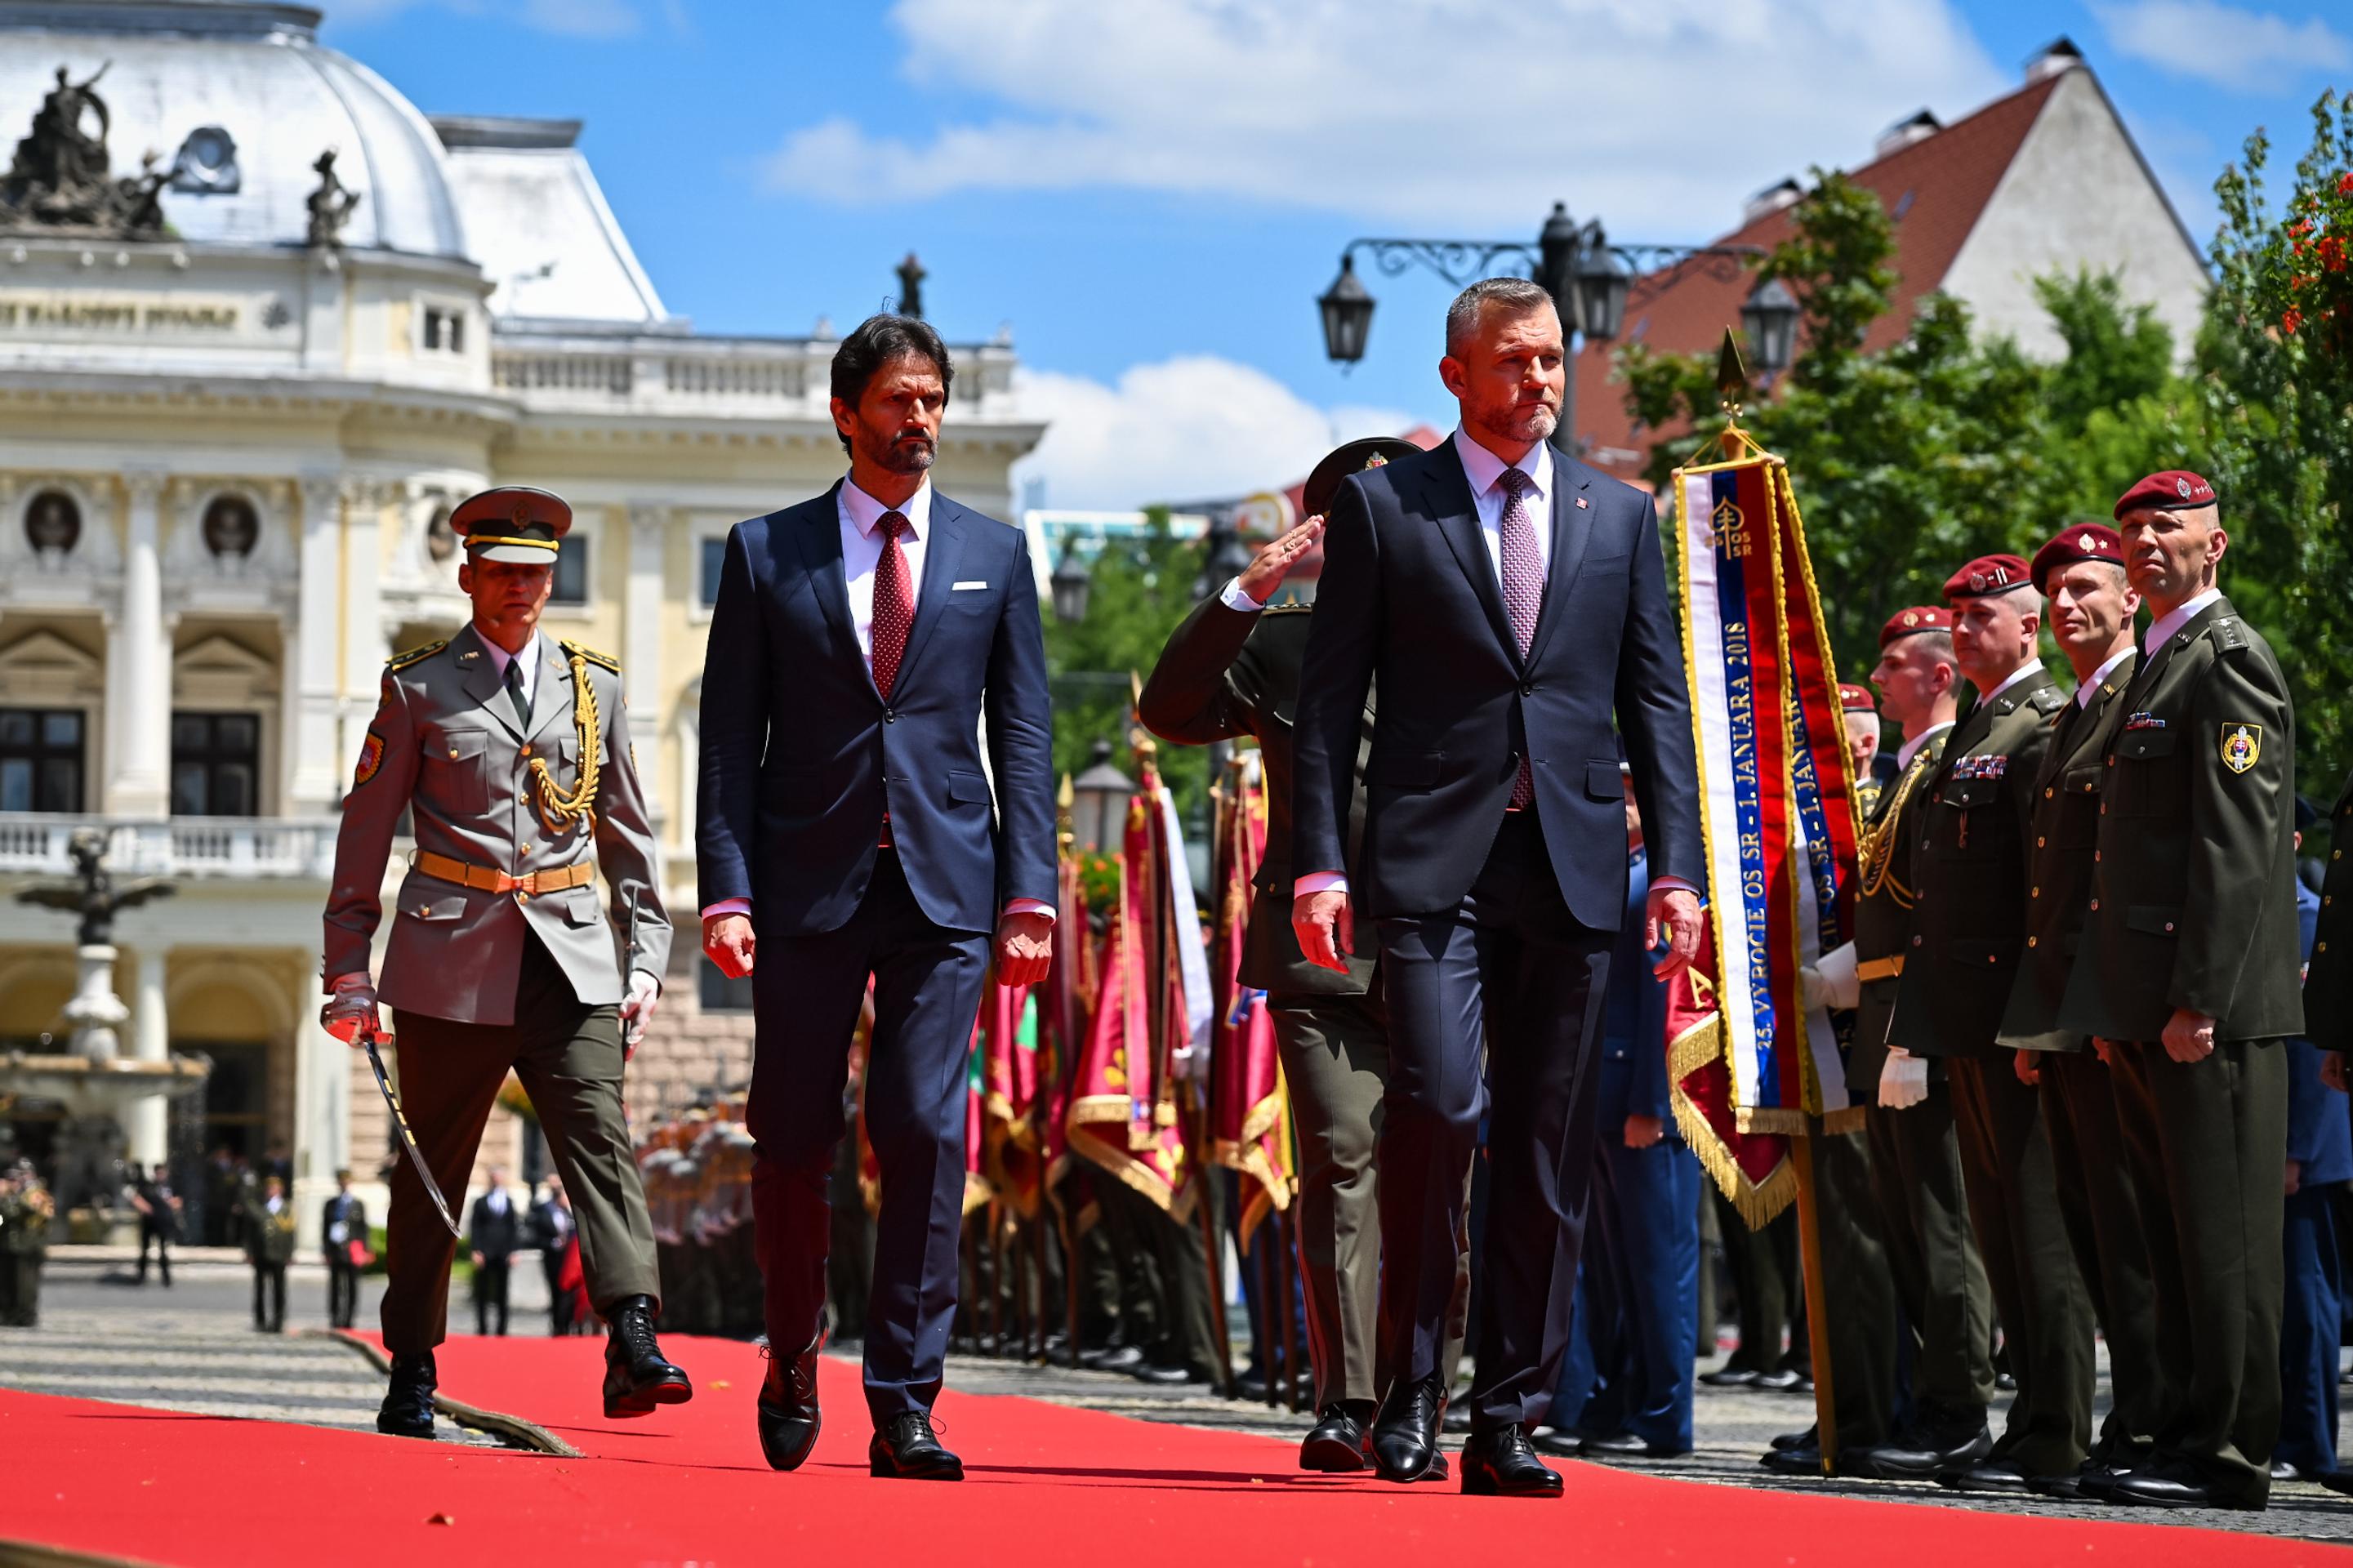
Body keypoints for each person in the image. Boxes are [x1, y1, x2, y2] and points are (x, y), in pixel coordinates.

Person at [1290, 277, 1704, 1498]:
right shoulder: (1384, 509)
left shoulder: (1620, 516)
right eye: (1514, 363)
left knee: (1543, 1148)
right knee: (1441, 1106)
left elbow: (1658, 705)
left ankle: (1510, 1416)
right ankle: (1411, 1384)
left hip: (1574, 871)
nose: (1538, 383)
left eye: (1551, 362)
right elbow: (1325, 708)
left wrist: (1673, 868)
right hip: (1431, 867)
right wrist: (1319, 855)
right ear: (1456, 376)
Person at [697, 313, 1056, 1482]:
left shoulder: (993, 555)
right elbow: (724, 748)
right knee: (793, 1139)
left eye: (935, 402)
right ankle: (794, 1346)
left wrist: (1030, 890)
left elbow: (1026, 738)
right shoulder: (768, 554)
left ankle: (906, 1398)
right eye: (901, 402)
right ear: (846, 412)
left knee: (919, 1127)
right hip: (804, 887)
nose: (921, 422)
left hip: (947, 888)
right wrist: (727, 889)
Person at [321, 484, 688, 1440]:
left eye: (536, 574)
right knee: (429, 1168)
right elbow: (363, 838)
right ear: (468, 576)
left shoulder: (591, 686)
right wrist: (347, 971)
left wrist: (646, 954)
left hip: (569, 956)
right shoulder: (419, 688)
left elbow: (629, 833)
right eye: (504, 573)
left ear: (551, 579)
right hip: (448, 956)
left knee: (599, 1139)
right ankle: (410, 1365)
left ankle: (633, 1336)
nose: (521, 590)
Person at [1139, 435, 1472, 1477]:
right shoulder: (1285, 638)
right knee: (1337, 1160)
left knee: (1437, 1171)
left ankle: (1426, 1388)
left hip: (1441, 940)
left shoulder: (1471, 627)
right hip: (1316, 953)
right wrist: (1245, 590)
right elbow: (1169, 710)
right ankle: (1346, 1398)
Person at [2059, 470, 2301, 1510]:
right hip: (2150, 1004)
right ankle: (2185, 1433)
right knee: (2170, 1233)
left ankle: (2234, 1454)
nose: (2144, 540)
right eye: (2132, 528)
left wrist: (2198, 997)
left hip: (2211, 1007)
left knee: (2225, 1241)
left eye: (2168, 526)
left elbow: (2236, 847)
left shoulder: (2226, 659)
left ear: (2216, 545)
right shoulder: (2157, 665)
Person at [1887, 553, 2091, 1494]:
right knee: (1999, 1231)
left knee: (2035, 1229)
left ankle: (2056, 1428)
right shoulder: (1978, 722)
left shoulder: (2038, 721)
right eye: (1957, 619)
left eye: (1984, 618)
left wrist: (2033, 1024)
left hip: (2008, 1022)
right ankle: (2027, 1423)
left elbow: (2042, 894)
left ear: (2028, 628)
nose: (1964, 631)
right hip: (1961, 1019)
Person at [1996, 521, 2169, 1500]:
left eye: (2085, 590)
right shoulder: (2076, 712)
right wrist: (2036, 1023)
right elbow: (2046, 889)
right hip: (2063, 1014)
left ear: (2128, 601)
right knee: (2093, 1227)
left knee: (2132, 1231)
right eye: (2055, 592)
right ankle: (2129, 1418)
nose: (2067, 606)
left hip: (2112, 1009)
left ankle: (2148, 1419)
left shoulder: (2134, 695)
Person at [1541, 765, 1700, 1461]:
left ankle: (1667, 1415)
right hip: (1600, 1100)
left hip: (1639, 1106)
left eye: (1630, 793)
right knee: (1613, 1271)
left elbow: (1667, 1006)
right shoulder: (1621, 873)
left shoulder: (1658, 884)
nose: (1618, 805)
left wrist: (1652, 1104)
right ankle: (1622, 1399)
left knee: (1659, 1270)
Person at [2279, 837, 2350, 1481]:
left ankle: (2308, 1444)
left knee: (2307, 1299)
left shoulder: (2302, 922)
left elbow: (2308, 1048)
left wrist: (2294, 1150)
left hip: (2303, 1150)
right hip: (2289, 1146)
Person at [469, 1165, 524, 1336]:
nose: (496, 1179)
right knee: (483, 1292)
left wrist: (514, 1251)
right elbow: (475, 1227)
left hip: (503, 1252)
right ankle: (483, 1328)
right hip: (485, 1252)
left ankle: (502, 1329)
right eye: (494, 1176)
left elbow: (513, 1228)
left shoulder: (508, 1201)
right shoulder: (481, 1201)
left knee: (502, 1292)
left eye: (499, 1176)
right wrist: (476, 1250)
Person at [242, 1173, 296, 1333]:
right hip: (261, 1253)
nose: (272, 1191)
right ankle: (260, 1320)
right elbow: (250, 1232)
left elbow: (291, 1234)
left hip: (279, 1254)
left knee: (279, 1289)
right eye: (269, 1188)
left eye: (275, 1188)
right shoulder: (259, 1207)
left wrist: (290, 1254)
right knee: (260, 1289)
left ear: (281, 1190)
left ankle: (278, 1320)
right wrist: (249, 1252)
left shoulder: (286, 1209)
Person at [530, 1178, 579, 1334]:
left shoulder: (570, 1214)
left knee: (569, 1295)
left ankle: (567, 1324)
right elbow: (537, 1236)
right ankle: (557, 1326)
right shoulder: (545, 1212)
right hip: (552, 1258)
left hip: (568, 1261)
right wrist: (553, 1243)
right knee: (555, 1292)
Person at [321, 1168, 368, 1330]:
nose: (344, 1184)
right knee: (335, 1286)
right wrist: (326, 1251)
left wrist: (364, 1250)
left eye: (346, 1181)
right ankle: (335, 1317)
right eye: (341, 1181)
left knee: (352, 1286)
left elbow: (362, 1230)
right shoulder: (331, 1204)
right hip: (335, 1250)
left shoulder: (358, 1204)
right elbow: (325, 1229)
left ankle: (349, 1317)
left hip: (352, 1251)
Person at [129, 1162, 180, 1287]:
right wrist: (147, 1209)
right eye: (158, 1173)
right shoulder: (148, 1186)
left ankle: (166, 1277)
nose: (160, 1175)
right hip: (149, 1222)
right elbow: (136, 1199)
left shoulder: (169, 1186)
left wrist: (170, 1205)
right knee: (145, 1250)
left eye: (162, 1173)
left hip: (163, 1223)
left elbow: (178, 1202)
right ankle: (141, 1276)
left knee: (163, 1251)